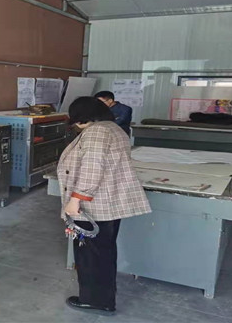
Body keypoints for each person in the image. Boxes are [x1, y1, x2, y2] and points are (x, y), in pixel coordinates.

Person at [58, 97, 151, 314]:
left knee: (90, 255)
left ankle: (96, 301)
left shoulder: (97, 132)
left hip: (93, 206)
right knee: (103, 251)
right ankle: (104, 297)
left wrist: (75, 200)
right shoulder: (113, 128)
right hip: (106, 203)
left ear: (82, 117)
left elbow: (92, 168)